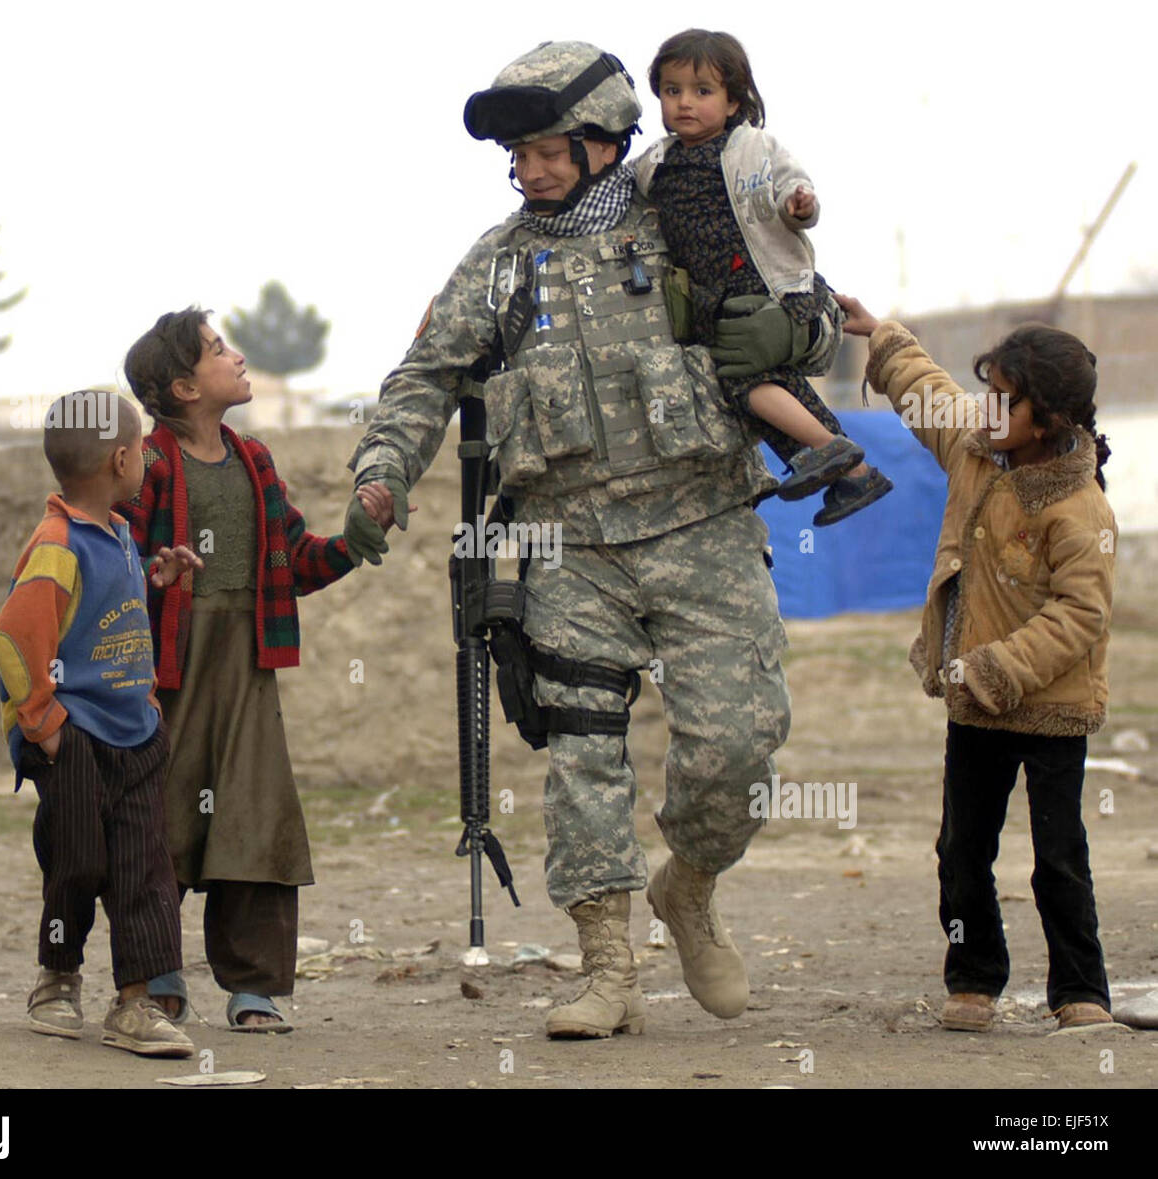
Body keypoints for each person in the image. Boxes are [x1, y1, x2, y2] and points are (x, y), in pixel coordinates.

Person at [344, 42, 839, 1039]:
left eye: (545, 151)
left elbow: (808, 312)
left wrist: (800, 336)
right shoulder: (497, 262)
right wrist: (380, 472)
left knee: (737, 746)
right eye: (517, 157)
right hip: (567, 547)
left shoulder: (691, 215)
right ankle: (605, 968)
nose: (527, 171)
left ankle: (688, 887)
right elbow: (423, 380)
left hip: (702, 523)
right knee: (581, 759)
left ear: (606, 139)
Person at [840, 293, 1117, 1033]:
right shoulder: (974, 446)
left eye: (1007, 400)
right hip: (975, 704)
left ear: (1050, 420)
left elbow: (1082, 615)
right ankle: (972, 978)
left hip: (1052, 705)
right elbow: (929, 393)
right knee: (962, 851)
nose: (989, 410)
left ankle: (1080, 991)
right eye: (990, 393)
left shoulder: (1081, 508)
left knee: (1058, 857)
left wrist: (996, 667)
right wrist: (884, 337)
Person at [117, 309, 365, 1031]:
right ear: (185, 387)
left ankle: (253, 986)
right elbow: (117, 562)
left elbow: (298, 559)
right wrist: (154, 577)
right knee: (161, 815)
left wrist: (356, 537)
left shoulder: (254, 461)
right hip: (171, 670)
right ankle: (157, 977)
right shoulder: (151, 465)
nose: (239, 356)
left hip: (248, 664)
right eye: (221, 349)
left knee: (253, 813)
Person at [0, 389, 199, 1057]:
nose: (147, 463)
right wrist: (43, 724)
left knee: (145, 869)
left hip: (136, 734)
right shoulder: (56, 543)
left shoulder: (118, 535)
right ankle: (58, 977)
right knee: (77, 862)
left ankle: (136, 1002)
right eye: (142, 452)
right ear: (119, 459)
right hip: (75, 739)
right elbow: (14, 636)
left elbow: (105, 613)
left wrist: (156, 576)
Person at [629, 28, 892, 526]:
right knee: (775, 388)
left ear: (732, 102)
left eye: (702, 91)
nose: (685, 103)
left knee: (746, 382)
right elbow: (628, 201)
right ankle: (853, 473)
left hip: (765, 287)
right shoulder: (656, 163)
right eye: (672, 90)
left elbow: (793, 187)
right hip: (714, 300)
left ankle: (828, 451)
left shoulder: (752, 148)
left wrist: (800, 205)